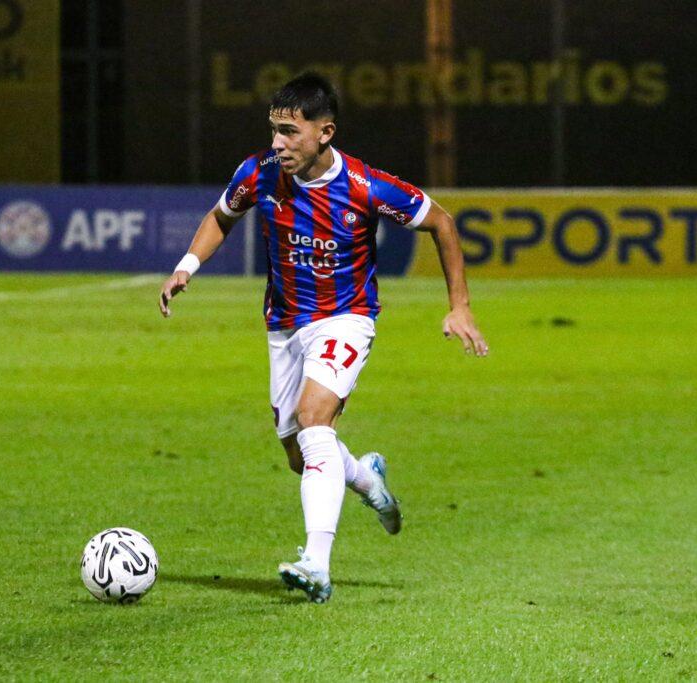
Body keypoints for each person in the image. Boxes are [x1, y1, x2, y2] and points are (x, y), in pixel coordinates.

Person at [159, 72, 487, 603]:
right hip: (285, 323)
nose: (277, 144)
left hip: (346, 318)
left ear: (325, 132)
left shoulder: (366, 187)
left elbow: (443, 223)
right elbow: (222, 217)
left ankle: (316, 563)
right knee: (300, 453)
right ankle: (366, 477)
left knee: (316, 420)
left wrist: (460, 307)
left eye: (289, 131)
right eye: (273, 130)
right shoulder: (259, 173)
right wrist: (187, 266)